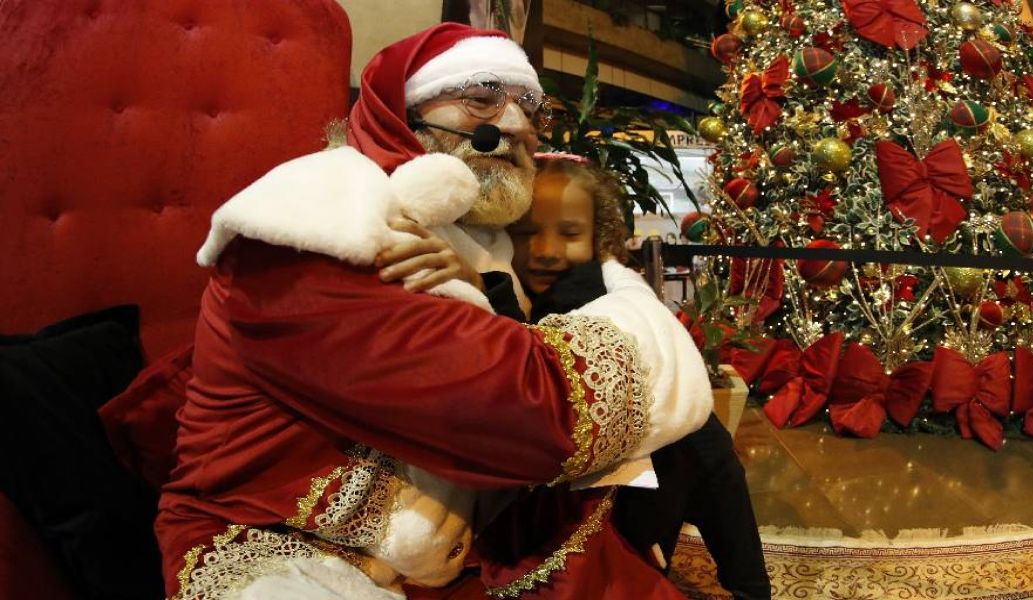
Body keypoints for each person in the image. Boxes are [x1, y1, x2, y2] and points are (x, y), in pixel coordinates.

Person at [157, 23, 712, 600]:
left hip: (445, 537)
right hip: (288, 544)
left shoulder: (477, 238)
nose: (517, 125)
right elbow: (534, 410)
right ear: (402, 112)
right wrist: (643, 316)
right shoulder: (318, 226)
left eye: (530, 106)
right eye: (482, 97)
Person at [506, 154, 771, 600]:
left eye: (569, 234)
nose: (547, 250)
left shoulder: (585, 291)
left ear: (597, 240)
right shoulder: (584, 287)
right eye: (529, 233)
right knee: (707, 465)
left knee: (693, 464)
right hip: (630, 473)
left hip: (646, 468)